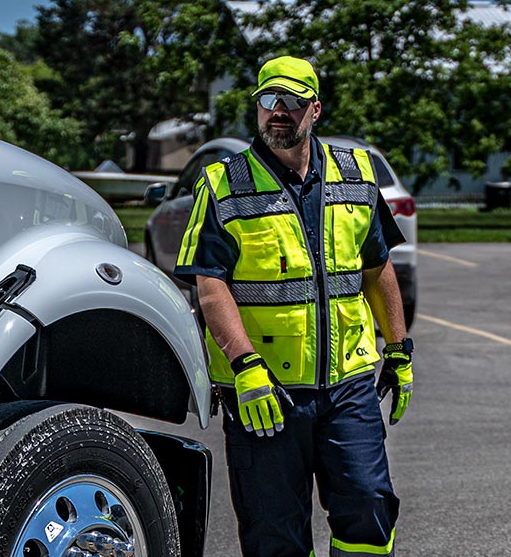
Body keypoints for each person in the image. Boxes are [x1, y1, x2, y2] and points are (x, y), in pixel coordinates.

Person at [175, 55, 413, 557]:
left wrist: (399, 350)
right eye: (267, 100)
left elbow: (378, 269)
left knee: (369, 507)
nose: (276, 111)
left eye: (290, 101)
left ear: (315, 109)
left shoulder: (357, 174)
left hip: (348, 387)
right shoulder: (223, 184)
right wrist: (244, 366)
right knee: (273, 531)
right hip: (266, 390)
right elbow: (210, 286)